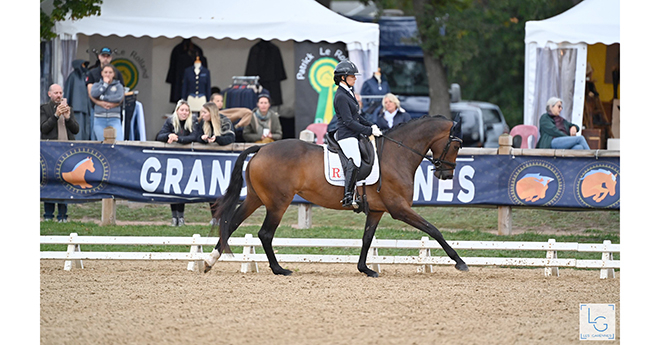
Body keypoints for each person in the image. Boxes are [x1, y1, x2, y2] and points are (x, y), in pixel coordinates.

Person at [332, 60, 382, 208]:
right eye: (352, 76)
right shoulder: (341, 96)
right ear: (343, 78)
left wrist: (371, 125)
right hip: (346, 134)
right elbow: (348, 121)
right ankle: (347, 195)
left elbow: (357, 117)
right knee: (355, 160)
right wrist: (368, 131)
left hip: (354, 133)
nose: (355, 78)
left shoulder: (349, 92)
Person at [41, 84, 79, 222]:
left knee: (65, 182)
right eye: (56, 92)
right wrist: (56, 115)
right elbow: (44, 128)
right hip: (50, 151)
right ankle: (48, 215)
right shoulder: (43, 109)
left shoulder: (69, 109)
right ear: (49, 94)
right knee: (50, 181)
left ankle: (63, 215)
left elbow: (76, 130)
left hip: (66, 150)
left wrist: (68, 118)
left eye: (60, 92)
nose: (58, 95)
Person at [155, 100, 197, 226]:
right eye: (182, 110)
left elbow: (194, 137)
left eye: (186, 110)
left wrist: (178, 139)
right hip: (172, 160)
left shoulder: (193, 122)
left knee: (182, 188)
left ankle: (182, 217)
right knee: (173, 188)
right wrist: (169, 136)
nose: (184, 113)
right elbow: (159, 136)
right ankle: (174, 217)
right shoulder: (170, 121)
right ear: (177, 110)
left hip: (186, 159)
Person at [195, 101, 236, 225]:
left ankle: (223, 216)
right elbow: (195, 136)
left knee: (223, 190)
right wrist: (202, 139)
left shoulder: (224, 121)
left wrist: (217, 139)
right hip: (209, 160)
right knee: (211, 188)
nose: (202, 115)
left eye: (204, 112)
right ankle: (214, 216)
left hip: (223, 159)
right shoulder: (202, 122)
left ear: (211, 113)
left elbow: (230, 138)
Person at [86, 47, 125, 140]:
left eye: (108, 56)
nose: (106, 58)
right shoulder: (92, 73)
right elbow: (91, 92)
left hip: (114, 113)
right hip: (97, 111)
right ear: (99, 57)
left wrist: (109, 102)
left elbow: (121, 94)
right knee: (97, 140)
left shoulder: (118, 73)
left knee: (118, 139)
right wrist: (101, 103)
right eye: (103, 56)